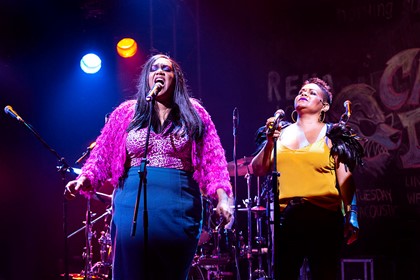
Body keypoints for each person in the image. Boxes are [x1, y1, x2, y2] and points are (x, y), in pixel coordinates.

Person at [64, 53, 233, 280]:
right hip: (130, 204)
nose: (160, 72)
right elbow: (101, 155)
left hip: (179, 206)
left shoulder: (195, 112)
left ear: (177, 79)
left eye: (167, 68)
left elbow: (214, 160)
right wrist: (85, 178)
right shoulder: (125, 113)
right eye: (154, 68)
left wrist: (223, 198)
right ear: (147, 78)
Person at [251, 77, 364, 280]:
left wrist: (351, 215)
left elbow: (345, 179)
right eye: (302, 91)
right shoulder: (279, 132)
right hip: (287, 218)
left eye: (312, 93)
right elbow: (257, 169)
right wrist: (269, 143)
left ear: (325, 105)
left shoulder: (333, 134)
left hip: (324, 217)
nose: (304, 93)